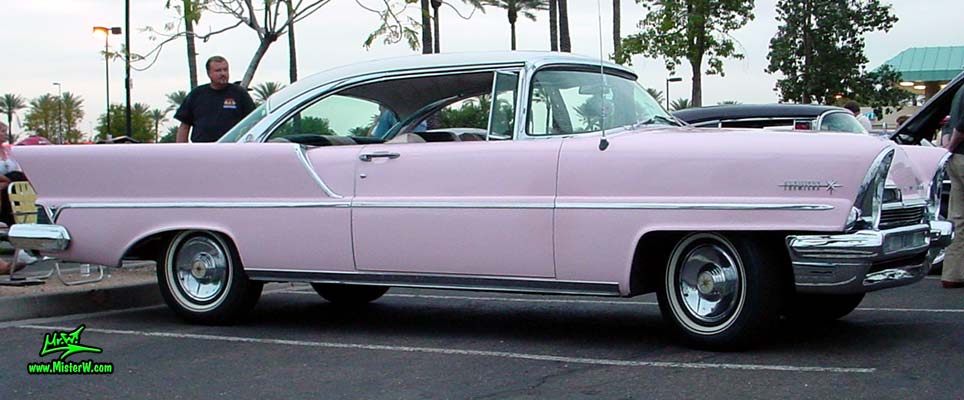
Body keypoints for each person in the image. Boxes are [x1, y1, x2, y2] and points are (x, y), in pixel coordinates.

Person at [174, 56, 255, 143]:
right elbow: (184, 126)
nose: (223, 73)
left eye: (225, 70)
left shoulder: (240, 94)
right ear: (209, 73)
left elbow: (254, 121)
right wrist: (182, 152)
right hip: (202, 149)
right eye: (218, 70)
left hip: (232, 148)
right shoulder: (196, 94)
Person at [0, 122, 37, 275]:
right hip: (5, 190)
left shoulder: (9, 151)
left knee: (16, 189)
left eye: (5, 130)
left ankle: (22, 246)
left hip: (9, 190)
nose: (4, 133)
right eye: (2, 130)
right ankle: (21, 247)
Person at [941, 84, 964, 289]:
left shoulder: (959, 91)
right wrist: (954, 143)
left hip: (956, 159)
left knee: (957, 217)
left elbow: (949, 123)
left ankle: (953, 273)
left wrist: (948, 147)